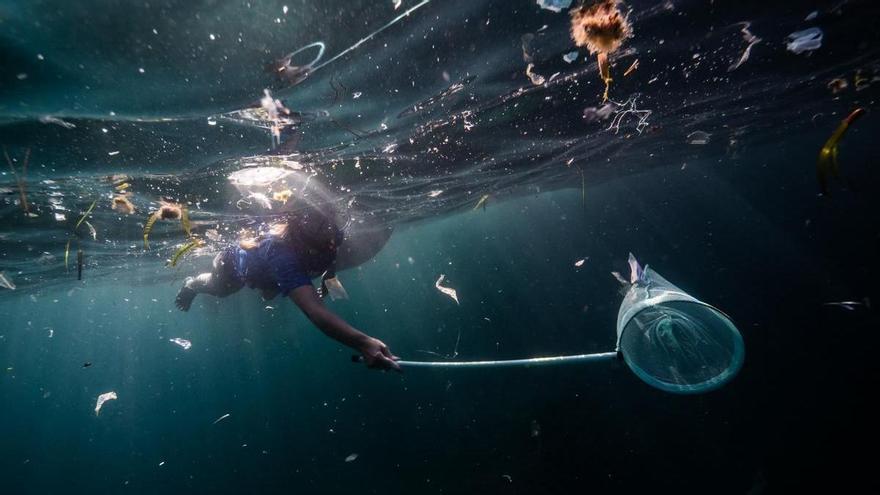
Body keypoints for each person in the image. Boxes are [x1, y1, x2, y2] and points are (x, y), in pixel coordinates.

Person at [174, 202, 400, 371]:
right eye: (321, 222)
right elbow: (314, 311)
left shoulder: (329, 234)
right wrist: (362, 342)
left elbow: (329, 259)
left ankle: (269, 289)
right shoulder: (280, 251)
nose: (330, 228)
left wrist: (328, 279)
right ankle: (191, 285)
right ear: (300, 225)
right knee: (221, 289)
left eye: (331, 218)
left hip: (270, 275)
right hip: (234, 266)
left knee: (271, 292)